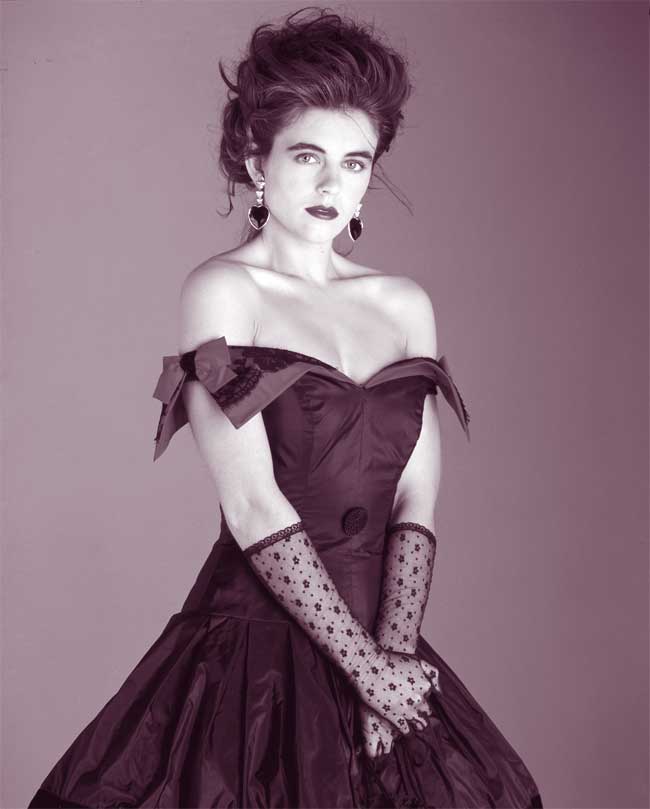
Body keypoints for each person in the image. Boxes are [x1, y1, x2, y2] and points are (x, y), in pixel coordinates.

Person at [28, 7, 543, 808]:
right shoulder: (222, 290)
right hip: (255, 650)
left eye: (355, 162)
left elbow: (416, 497)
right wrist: (368, 672)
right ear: (256, 161)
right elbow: (252, 503)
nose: (334, 186)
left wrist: (392, 661)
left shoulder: (406, 304)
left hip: (384, 639)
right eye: (309, 157)